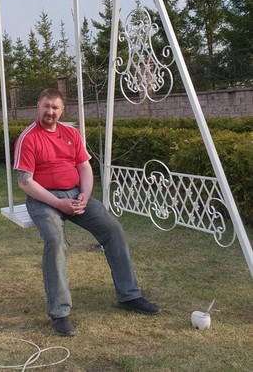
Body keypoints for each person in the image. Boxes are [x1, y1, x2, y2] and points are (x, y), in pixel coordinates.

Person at [13, 87, 159, 336]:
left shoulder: (71, 133)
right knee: (55, 242)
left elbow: (84, 167)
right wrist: (58, 203)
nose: (50, 112)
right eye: (46, 106)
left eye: (55, 107)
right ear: (38, 106)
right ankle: (60, 312)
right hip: (43, 200)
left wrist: (85, 194)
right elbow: (25, 182)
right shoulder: (28, 138)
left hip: (76, 194)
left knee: (114, 230)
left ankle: (129, 295)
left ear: (62, 110)